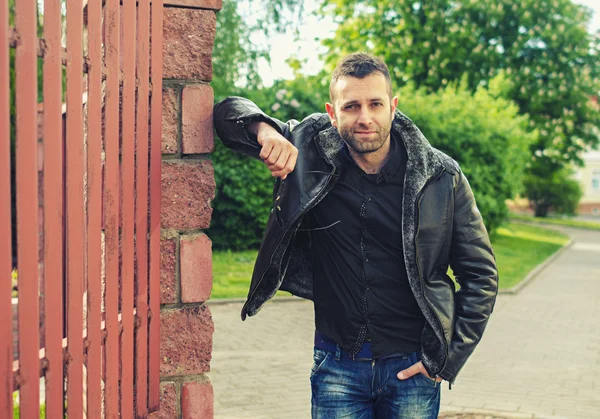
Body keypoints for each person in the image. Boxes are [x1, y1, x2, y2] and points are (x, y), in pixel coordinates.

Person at [213, 52, 498, 419]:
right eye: (351, 106)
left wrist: (445, 361)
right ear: (332, 113)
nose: (365, 118)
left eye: (375, 104)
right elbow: (227, 114)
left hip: (413, 371)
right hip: (337, 367)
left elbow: (481, 275)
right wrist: (265, 130)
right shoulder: (308, 151)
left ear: (392, 107)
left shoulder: (441, 176)